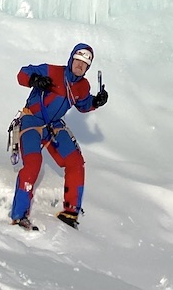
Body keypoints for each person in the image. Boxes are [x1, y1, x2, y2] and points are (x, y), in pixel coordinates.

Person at [9, 42, 108, 230]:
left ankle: (70, 212)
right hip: (32, 121)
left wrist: (96, 101)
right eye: (77, 61)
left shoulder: (83, 86)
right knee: (33, 163)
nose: (79, 66)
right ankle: (19, 215)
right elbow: (22, 74)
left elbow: (83, 105)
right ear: (71, 59)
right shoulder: (52, 71)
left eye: (84, 64)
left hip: (53, 126)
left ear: (88, 68)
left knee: (76, 162)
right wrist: (35, 80)